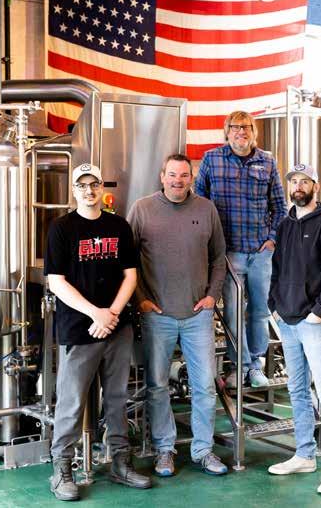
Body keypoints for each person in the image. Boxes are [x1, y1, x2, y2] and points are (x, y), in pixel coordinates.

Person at [45, 163, 152, 501]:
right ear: (73, 190)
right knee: (72, 401)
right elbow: (56, 281)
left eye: (94, 184)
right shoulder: (61, 228)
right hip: (80, 329)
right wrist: (96, 313)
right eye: (82, 185)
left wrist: (112, 314)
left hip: (117, 327)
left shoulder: (118, 226)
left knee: (118, 399)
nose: (89, 190)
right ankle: (62, 469)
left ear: (101, 187)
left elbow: (131, 276)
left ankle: (120, 462)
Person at [127, 154, 227, 477]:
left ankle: (203, 450)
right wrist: (141, 299)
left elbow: (219, 258)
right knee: (157, 386)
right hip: (157, 315)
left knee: (205, 386)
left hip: (198, 315)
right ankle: (164, 450)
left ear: (191, 178)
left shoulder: (206, 209)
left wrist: (212, 296)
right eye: (172, 174)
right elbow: (128, 260)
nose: (178, 181)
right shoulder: (142, 209)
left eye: (184, 175)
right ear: (162, 176)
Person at [267, 164, 321, 495]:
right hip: (287, 320)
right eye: (294, 181)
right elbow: (277, 269)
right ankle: (304, 454)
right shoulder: (285, 225)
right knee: (297, 390)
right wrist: (274, 306)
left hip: (315, 323)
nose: (298, 186)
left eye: (305, 181)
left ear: (315, 186)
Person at [195, 111, 287, 388]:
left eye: (246, 127)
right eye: (235, 127)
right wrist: (211, 246)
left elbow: (279, 207)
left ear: (253, 131)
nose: (241, 132)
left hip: (260, 252)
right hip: (228, 253)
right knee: (234, 313)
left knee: (259, 312)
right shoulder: (212, 159)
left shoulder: (267, 161)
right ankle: (240, 367)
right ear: (227, 132)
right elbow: (199, 203)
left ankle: (255, 365)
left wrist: (272, 240)